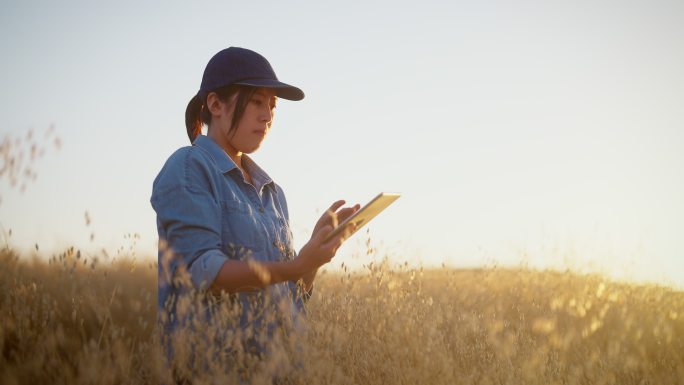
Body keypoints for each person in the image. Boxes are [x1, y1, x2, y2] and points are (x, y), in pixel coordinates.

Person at [150, 47, 359, 380]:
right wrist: (296, 265)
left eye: (273, 106)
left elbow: (288, 303)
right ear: (216, 104)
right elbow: (204, 272)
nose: (268, 116)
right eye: (257, 102)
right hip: (212, 372)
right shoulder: (189, 167)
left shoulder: (273, 193)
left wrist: (311, 260)